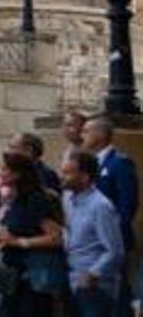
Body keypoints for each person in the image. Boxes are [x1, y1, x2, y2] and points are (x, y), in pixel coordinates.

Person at [0, 151, 65, 316]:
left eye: (4, 169)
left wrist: (19, 241)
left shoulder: (35, 199)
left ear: (18, 174)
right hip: (12, 277)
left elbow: (56, 237)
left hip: (31, 279)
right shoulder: (16, 198)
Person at [82, 117, 139, 313]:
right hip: (92, 241)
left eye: (86, 131)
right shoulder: (90, 163)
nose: (82, 135)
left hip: (113, 240)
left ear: (101, 135)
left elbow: (128, 204)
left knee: (118, 292)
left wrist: (114, 234)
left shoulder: (119, 163)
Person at [62, 149, 126, 317]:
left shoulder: (101, 206)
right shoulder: (69, 201)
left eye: (68, 173)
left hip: (94, 286)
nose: (63, 177)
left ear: (84, 177)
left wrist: (93, 274)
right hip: (71, 280)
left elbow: (114, 250)